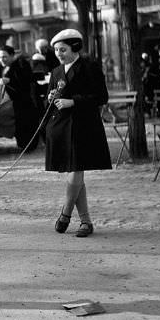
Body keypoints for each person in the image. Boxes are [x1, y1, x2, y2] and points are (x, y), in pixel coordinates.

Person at [45, 29, 112, 238]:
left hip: (84, 126)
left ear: (75, 48)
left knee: (76, 170)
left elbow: (101, 97)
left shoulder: (89, 67)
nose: (59, 54)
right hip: (62, 127)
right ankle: (86, 221)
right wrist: (50, 97)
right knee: (75, 172)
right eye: (56, 50)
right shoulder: (56, 72)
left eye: (62, 49)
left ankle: (65, 214)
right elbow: (51, 98)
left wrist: (73, 101)